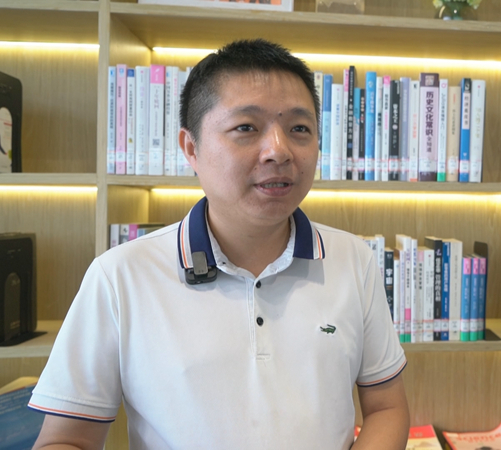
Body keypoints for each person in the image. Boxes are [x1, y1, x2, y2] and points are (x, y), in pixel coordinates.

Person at [28, 39, 409, 450]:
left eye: (299, 129)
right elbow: (66, 440)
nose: (279, 151)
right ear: (191, 148)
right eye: (246, 127)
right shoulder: (119, 276)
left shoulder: (353, 260)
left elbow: (387, 408)